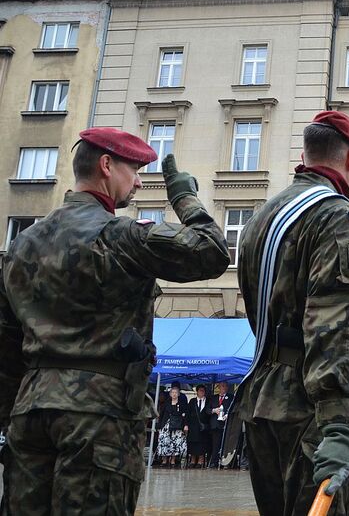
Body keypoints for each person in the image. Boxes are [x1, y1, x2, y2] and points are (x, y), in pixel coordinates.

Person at [0, 128, 230, 514]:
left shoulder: (23, 244)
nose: (139, 181)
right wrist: (183, 196)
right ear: (107, 166)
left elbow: (6, 347)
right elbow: (210, 251)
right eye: (134, 169)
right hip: (99, 416)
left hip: (31, 413)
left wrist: (11, 418)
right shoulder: (118, 235)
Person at [234, 111, 349, 516]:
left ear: (305, 153)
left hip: (264, 397)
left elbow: (273, 315)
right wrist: (337, 422)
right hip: (311, 410)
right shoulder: (338, 216)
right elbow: (333, 319)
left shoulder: (261, 218)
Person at [157, 384, 189, 468]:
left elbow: (185, 415)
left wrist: (185, 425)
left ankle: (173, 460)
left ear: (178, 394)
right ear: (170, 394)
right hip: (166, 425)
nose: (174, 394)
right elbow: (161, 415)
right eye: (172, 392)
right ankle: (164, 460)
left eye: (176, 392)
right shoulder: (166, 403)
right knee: (164, 442)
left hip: (177, 425)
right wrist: (159, 426)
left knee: (175, 443)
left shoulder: (182, 404)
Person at [186, 384, 212, 468]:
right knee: (193, 443)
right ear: (197, 392)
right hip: (193, 426)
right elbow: (188, 414)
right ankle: (193, 460)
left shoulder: (208, 401)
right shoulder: (192, 401)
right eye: (200, 390)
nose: (202, 392)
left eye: (203, 391)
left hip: (204, 426)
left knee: (202, 444)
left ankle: (201, 460)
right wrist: (186, 425)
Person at [209, 382, 233, 469]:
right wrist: (214, 410)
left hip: (226, 424)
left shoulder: (231, 397)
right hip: (215, 424)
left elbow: (233, 408)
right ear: (218, 387)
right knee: (215, 444)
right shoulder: (213, 398)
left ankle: (225, 463)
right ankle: (214, 462)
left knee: (226, 444)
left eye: (225, 386)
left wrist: (227, 415)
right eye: (222, 386)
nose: (224, 388)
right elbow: (207, 410)